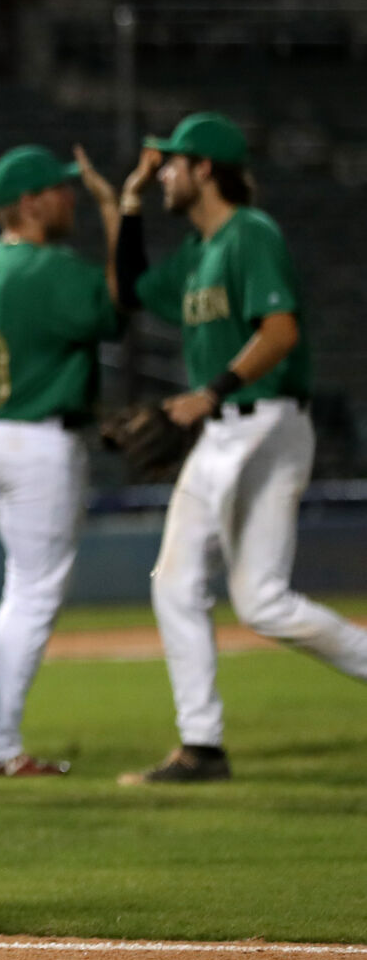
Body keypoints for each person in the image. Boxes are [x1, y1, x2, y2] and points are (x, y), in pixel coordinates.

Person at [103, 112, 367, 785]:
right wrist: (129, 202)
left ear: (205, 169)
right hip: (236, 426)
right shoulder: (198, 252)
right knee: (261, 604)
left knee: (177, 578)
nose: (163, 172)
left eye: (172, 164)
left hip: (262, 420)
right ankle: (202, 747)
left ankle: (201, 745)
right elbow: (131, 290)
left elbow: (280, 331)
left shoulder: (252, 234)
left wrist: (210, 391)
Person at [0, 145, 124, 778]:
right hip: (37, 439)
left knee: (23, 588)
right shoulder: (49, 268)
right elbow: (114, 312)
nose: (68, 197)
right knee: (36, 593)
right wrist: (114, 210)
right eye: (59, 189)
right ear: (29, 203)